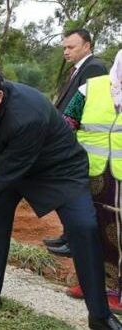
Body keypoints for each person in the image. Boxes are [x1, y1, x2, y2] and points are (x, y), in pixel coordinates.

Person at [0, 67, 121, 329]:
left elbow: (8, 172)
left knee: (83, 228)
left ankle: (99, 314)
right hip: (12, 163)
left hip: (58, 169)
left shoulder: (27, 115)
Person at [61, 50, 122, 311]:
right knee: (86, 227)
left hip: (118, 177)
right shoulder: (92, 88)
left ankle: (116, 290)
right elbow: (67, 123)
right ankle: (90, 282)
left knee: (118, 234)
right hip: (88, 172)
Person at [46, 28, 108, 257]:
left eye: (71, 47)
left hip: (80, 140)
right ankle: (68, 236)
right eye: (64, 47)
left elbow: (89, 106)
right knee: (69, 188)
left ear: (87, 46)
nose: (66, 51)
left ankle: (73, 241)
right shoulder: (78, 70)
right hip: (69, 138)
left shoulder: (94, 68)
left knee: (76, 190)